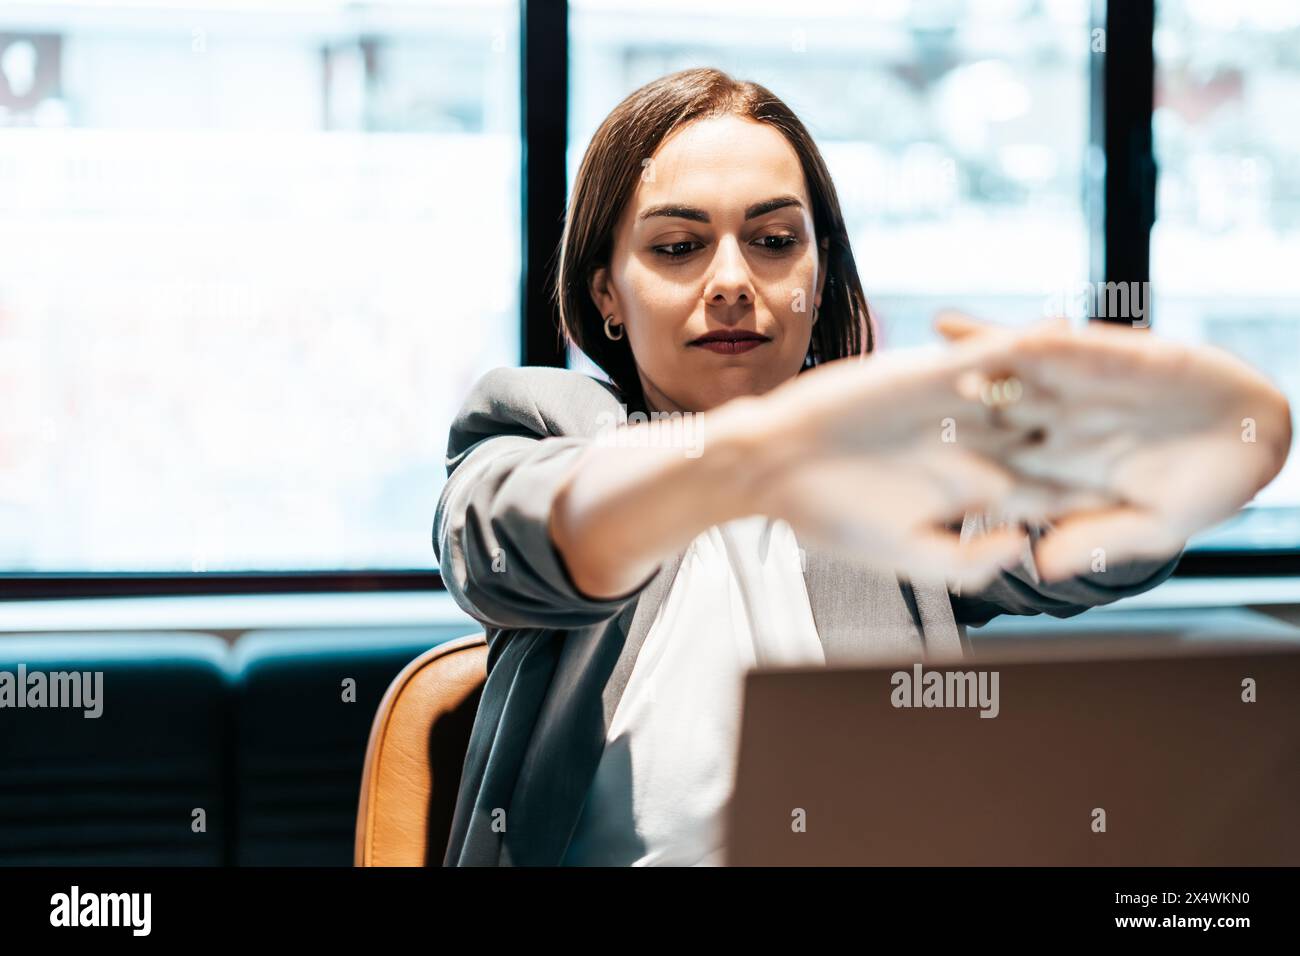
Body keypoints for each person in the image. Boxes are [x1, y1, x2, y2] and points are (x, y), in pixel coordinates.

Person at [433, 68, 1292, 866]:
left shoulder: (889, 468)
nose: (733, 281)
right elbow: (525, 536)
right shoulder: (536, 425)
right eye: (677, 247)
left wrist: (1234, 434)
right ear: (606, 295)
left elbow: (1078, 534)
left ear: (819, 273)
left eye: (773, 240)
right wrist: (746, 457)